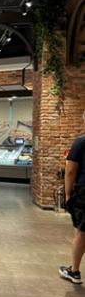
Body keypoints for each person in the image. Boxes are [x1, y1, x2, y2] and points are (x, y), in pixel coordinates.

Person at [59, 111, 85, 285]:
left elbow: (70, 170)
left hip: (83, 191)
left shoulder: (80, 142)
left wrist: (68, 194)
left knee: (81, 231)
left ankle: (74, 271)